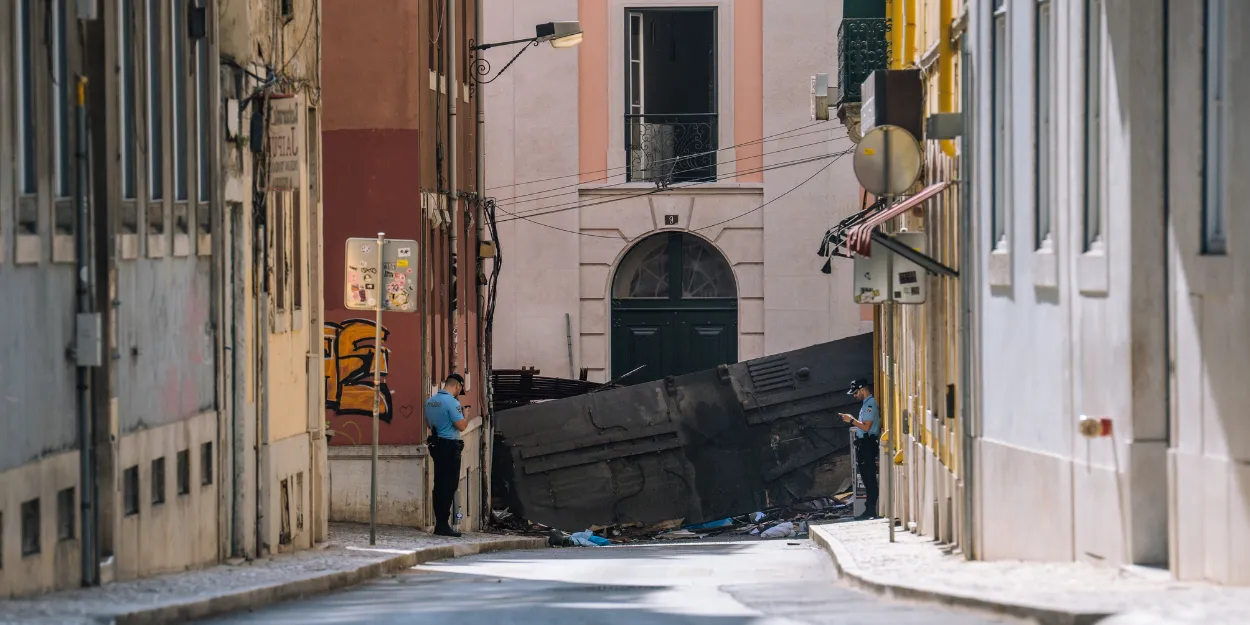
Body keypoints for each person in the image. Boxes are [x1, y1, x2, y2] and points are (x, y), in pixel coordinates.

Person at [425, 372, 468, 537]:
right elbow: (461, 426)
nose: (459, 392)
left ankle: (439, 522)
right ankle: (443, 524)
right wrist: (467, 416)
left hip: (436, 444)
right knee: (449, 485)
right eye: (460, 389)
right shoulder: (452, 402)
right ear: (457, 386)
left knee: (439, 483)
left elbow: (429, 423)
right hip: (450, 445)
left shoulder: (431, 401)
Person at [840, 378, 880, 521]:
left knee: (869, 479)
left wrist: (851, 420)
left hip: (868, 445)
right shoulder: (866, 404)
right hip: (864, 445)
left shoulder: (870, 405)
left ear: (863, 390)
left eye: (856, 393)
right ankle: (869, 509)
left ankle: (871, 510)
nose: (854, 396)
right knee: (866, 477)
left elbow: (866, 427)